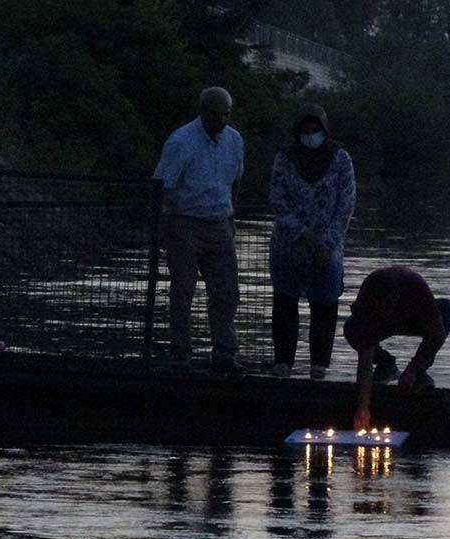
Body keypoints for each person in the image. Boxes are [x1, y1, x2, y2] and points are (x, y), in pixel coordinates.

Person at [152, 86, 245, 374]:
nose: (222, 121)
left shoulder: (234, 140)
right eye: (217, 115)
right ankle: (180, 351)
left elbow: (236, 179)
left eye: (226, 115)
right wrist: (161, 228)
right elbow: (161, 186)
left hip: (219, 220)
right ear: (204, 112)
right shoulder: (181, 141)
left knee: (226, 290)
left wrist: (231, 217)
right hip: (184, 220)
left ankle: (225, 352)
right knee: (183, 288)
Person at [268, 104, 357, 380]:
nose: (310, 135)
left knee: (325, 305)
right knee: (285, 303)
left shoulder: (340, 159)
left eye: (315, 130)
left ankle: (319, 366)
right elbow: (277, 201)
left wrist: (326, 243)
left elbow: (346, 205)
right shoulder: (284, 158)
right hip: (289, 245)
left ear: (324, 130)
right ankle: (283, 363)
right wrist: (301, 234)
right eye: (304, 131)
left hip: (327, 248)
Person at [344, 266, 450, 430]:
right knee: (352, 329)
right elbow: (365, 355)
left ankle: (420, 373)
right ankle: (386, 364)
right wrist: (363, 407)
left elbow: (437, 333)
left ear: (396, 296)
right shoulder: (367, 299)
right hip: (381, 324)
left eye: (387, 305)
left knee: (447, 310)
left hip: (413, 318)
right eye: (379, 307)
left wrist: (414, 367)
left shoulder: (416, 288)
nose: (384, 311)